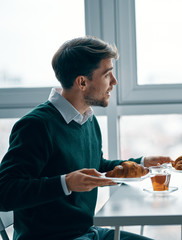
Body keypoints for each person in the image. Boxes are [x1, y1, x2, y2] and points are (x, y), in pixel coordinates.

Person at [0, 36, 172, 240]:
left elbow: (95, 166)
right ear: (82, 82)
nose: (114, 82)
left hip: (87, 233)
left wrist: (141, 163)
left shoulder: (86, 119)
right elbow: (5, 192)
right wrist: (66, 183)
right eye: (107, 74)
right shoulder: (36, 125)